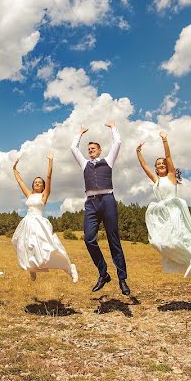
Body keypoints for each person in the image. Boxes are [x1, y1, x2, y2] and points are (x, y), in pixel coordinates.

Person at [71, 121, 130, 295]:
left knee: (113, 240)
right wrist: (79, 134)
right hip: (91, 203)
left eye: (93, 149)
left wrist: (113, 128)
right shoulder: (84, 164)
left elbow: (117, 143)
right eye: (88, 149)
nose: (90, 151)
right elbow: (73, 148)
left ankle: (122, 279)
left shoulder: (108, 161)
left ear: (100, 150)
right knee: (89, 238)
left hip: (108, 200)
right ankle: (103, 273)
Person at [136, 131, 191, 277]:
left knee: (182, 234)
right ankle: (189, 254)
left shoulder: (171, 176)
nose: (161, 165)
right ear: (156, 168)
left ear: (167, 167)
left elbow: (168, 157)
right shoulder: (156, 180)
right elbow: (144, 166)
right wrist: (138, 152)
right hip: (161, 214)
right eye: (158, 164)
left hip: (174, 210)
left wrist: (164, 140)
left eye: (163, 164)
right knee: (159, 241)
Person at [11, 151, 78, 283]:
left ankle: (70, 268)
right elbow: (20, 181)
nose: (37, 183)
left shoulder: (44, 195)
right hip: (27, 223)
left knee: (49, 248)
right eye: (35, 182)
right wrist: (14, 169)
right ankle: (32, 269)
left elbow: (48, 177)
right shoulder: (29, 195)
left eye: (39, 183)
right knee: (26, 246)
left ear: (43, 186)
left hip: (39, 223)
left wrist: (50, 161)